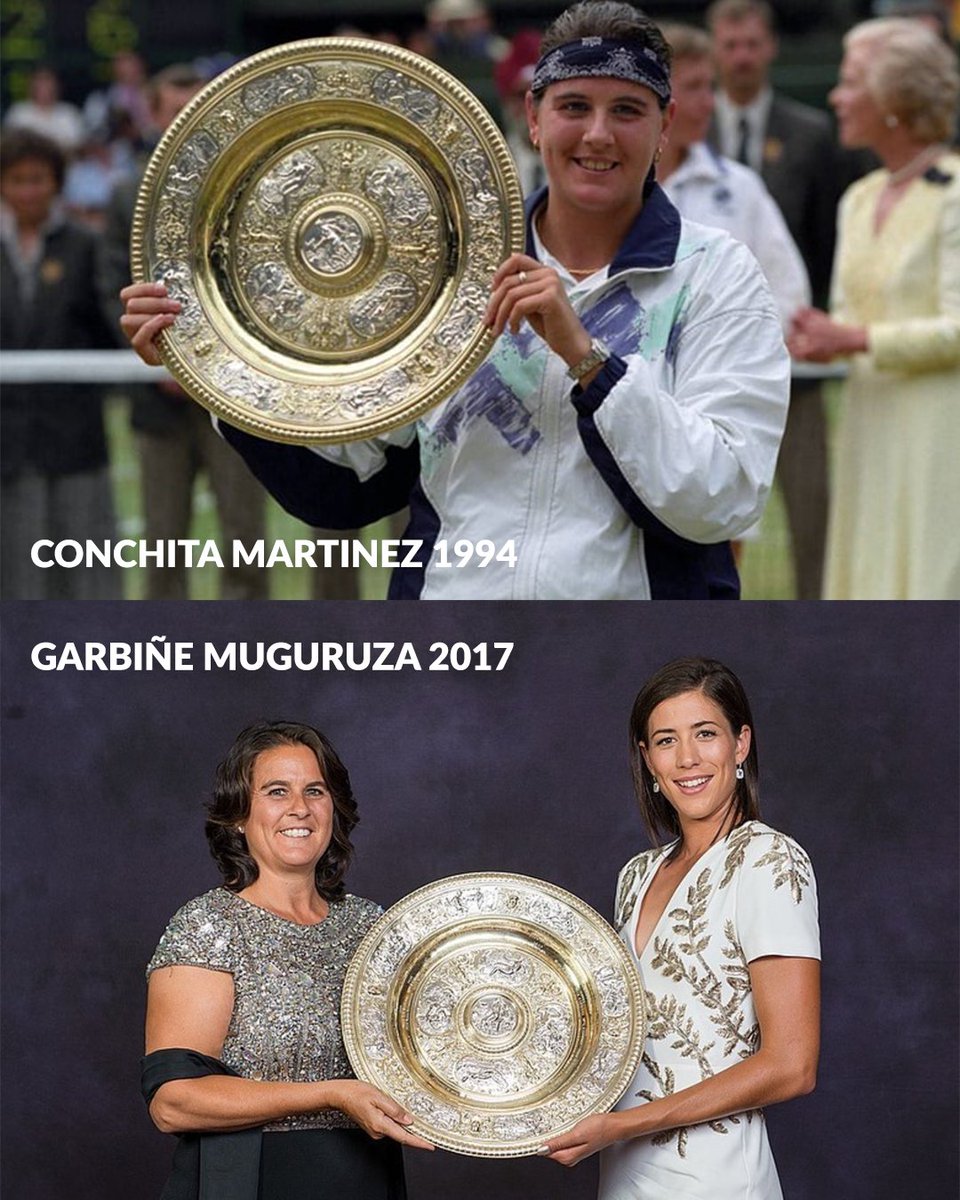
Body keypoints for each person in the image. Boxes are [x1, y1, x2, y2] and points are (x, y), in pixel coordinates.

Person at [120, 1, 789, 600]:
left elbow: (722, 497)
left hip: (628, 658)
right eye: (574, 107)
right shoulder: (451, 271)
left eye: (627, 110)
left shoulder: (715, 274)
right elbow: (344, 480)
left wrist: (589, 361)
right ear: (533, 116)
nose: (597, 136)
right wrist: (217, 365)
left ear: (665, 124)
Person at [543, 657, 820, 1199]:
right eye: (666, 741)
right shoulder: (637, 874)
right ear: (647, 759)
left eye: (706, 734)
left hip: (714, 1179)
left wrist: (621, 1127)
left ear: (740, 744)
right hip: (623, 1174)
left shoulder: (768, 860)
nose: (687, 758)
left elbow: (792, 1065)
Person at [143, 720, 433, 1199]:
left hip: (362, 1179)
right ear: (239, 815)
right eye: (277, 791)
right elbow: (173, 1102)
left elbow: (434, 1054)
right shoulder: (210, 925)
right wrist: (331, 1093)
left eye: (315, 791)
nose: (299, 808)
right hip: (248, 1180)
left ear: (334, 809)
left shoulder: (373, 926)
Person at [788, 18, 960, 600]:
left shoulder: (956, 192)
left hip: (941, 439)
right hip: (867, 429)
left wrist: (856, 340)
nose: (836, 96)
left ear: (894, 95)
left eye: (850, 81)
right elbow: (844, 316)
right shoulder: (857, 201)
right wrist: (811, 336)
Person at [97, 65, 270, 600]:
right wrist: (161, 359)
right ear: (152, 115)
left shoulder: (247, 186)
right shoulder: (128, 194)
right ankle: (161, 667)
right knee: (162, 545)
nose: (182, 121)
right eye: (172, 111)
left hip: (236, 397)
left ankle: (251, 666)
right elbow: (110, 285)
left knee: (246, 540)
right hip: (159, 402)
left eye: (193, 110)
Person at [706, 0, 839, 600]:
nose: (741, 56)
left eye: (751, 44)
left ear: (771, 48)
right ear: (714, 49)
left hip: (798, 365)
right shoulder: (682, 133)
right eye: (730, 44)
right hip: (708, 364)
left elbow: (827, 243)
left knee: (812, 516)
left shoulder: (811, 134)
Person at [0, 128, 120, 599]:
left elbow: (107, 328)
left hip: (76, 437)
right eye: (17, 179)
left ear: (57, 183)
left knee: (87, 572)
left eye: (39, 179)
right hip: (8, 443)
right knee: (15, 576)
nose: (29, 190)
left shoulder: (85, 246)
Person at [657, 24, 809, 334]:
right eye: (693, 87)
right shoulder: (607, 188)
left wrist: (727, 351)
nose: (709, 102)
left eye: (710, 87)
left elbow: (789, 295)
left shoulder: (742, 186)